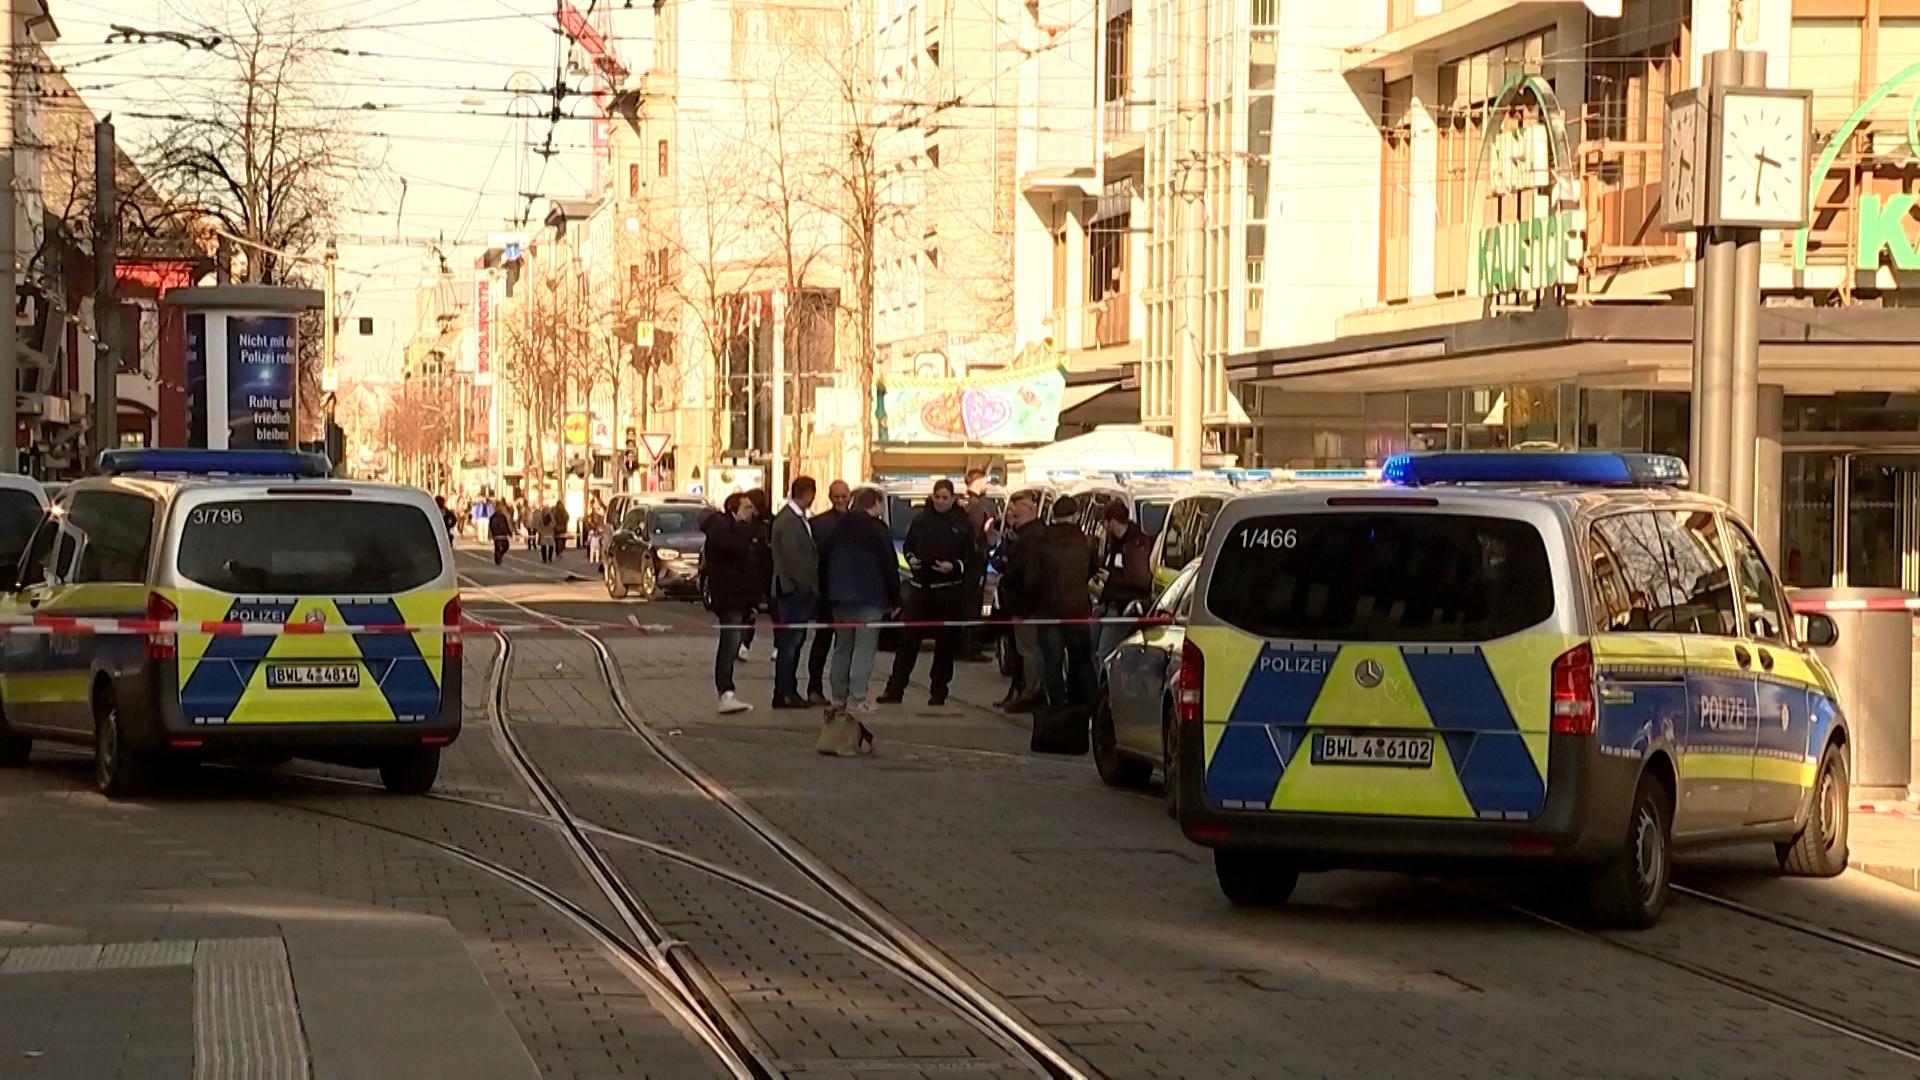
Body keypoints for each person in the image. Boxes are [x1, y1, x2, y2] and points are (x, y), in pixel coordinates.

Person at [880, 479, 974, 707]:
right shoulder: (921, 520)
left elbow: (972, 556)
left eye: (945, 497)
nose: (940, 502)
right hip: (921, 590)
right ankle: (895, 689)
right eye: (937, 497)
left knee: (944, 646)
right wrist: (912, 558)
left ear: (952, 499)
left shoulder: (962, 524)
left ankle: (938, 691)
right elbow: (909, 545)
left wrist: (954, 566)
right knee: (907, 643)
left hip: (947, 592)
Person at [820, 486, 900, 717]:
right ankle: (857, 698)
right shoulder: (877, 529)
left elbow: (824, 562)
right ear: (874, 503)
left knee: (842, 647)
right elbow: (888, 565)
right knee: (864, 649)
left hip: (839, 598)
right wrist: (895, 599)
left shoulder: (837, 527)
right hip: (869, 597)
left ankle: (838, 697)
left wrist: (827, 594)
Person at [1030, 494, 1099, 711]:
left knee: (1052, 661)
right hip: (1077, 608)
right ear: (1076, 516)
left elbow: (1031, 579)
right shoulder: (1086, 542)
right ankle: (1084, 706)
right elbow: (1093, 570)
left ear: (1054, 515)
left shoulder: (1041, 542)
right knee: (1081, 660)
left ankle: (1057, 707)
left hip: (1048, 611)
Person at [703, 492, 761, 714]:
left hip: (740, 596)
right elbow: (733, 550)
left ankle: (727, 692)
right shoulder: (722, 529)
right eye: (746, 508)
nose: (751, 513)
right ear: (733, 510)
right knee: (730, 641)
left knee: (733, 640)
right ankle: (725, 691)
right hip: (729, 596)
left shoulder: (736, 530)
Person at [770, 476, 820, 709]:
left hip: (794, 590)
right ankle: (784, 692)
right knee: (790, 644)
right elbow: (793, 559)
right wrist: (806, 586)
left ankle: (788, 690)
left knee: (794, 642)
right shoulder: (789, 521)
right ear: (808, 493)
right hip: (792, 592)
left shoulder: (795, 518)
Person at [995, 492, 1047, 712]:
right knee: (1024, 650)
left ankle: (1030, 693)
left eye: (1016, 515)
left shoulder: (1029, 538)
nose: (1013, 519)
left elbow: (1022, 571)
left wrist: (1006, 576)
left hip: (1025, 604)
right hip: (1024, 603)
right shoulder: (1031, 534)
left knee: (1029, 650)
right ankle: (1023, 690)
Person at [805, 480, 852, 704]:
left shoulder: (858, 522)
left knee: (847, 643)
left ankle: (845, 690)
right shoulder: (818, 524)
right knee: (822, 641)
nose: (841, 501)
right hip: (825, 592)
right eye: (837, 497)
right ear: (830, 497)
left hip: (850, 593)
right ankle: (814, 687)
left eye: (844, 496)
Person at [1095, 502, 1155, 661]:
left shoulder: (1136, 544)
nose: (1103, 527)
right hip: (1110, 603)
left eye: (1104, 523)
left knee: (1104, 653)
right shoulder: (1114, 542)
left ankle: (1104, 685)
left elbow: (1141, 580)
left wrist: (1111, 579)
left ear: (1112, 522)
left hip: (1125, 608)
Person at [959, 469, 997, 662]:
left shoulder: (971, 504)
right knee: (972, 605)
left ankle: (969, 645)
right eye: (984, 481)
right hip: (974, 562)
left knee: (972, 604)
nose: (987, 484)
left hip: (972, 562)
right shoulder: (975, 506)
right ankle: (969, 647)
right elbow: (977, 535)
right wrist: (989, 536)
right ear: (976, 482)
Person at [487, 500, 515, 565]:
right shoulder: (503, 516)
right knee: (506, 546)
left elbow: (490, 527)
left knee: (497, 547)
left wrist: (490, 535)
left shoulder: (492, 517)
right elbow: (506, 525)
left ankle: (497, 559)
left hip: (495, 535)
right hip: (503, 535)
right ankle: (500, 554)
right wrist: (509, 533)